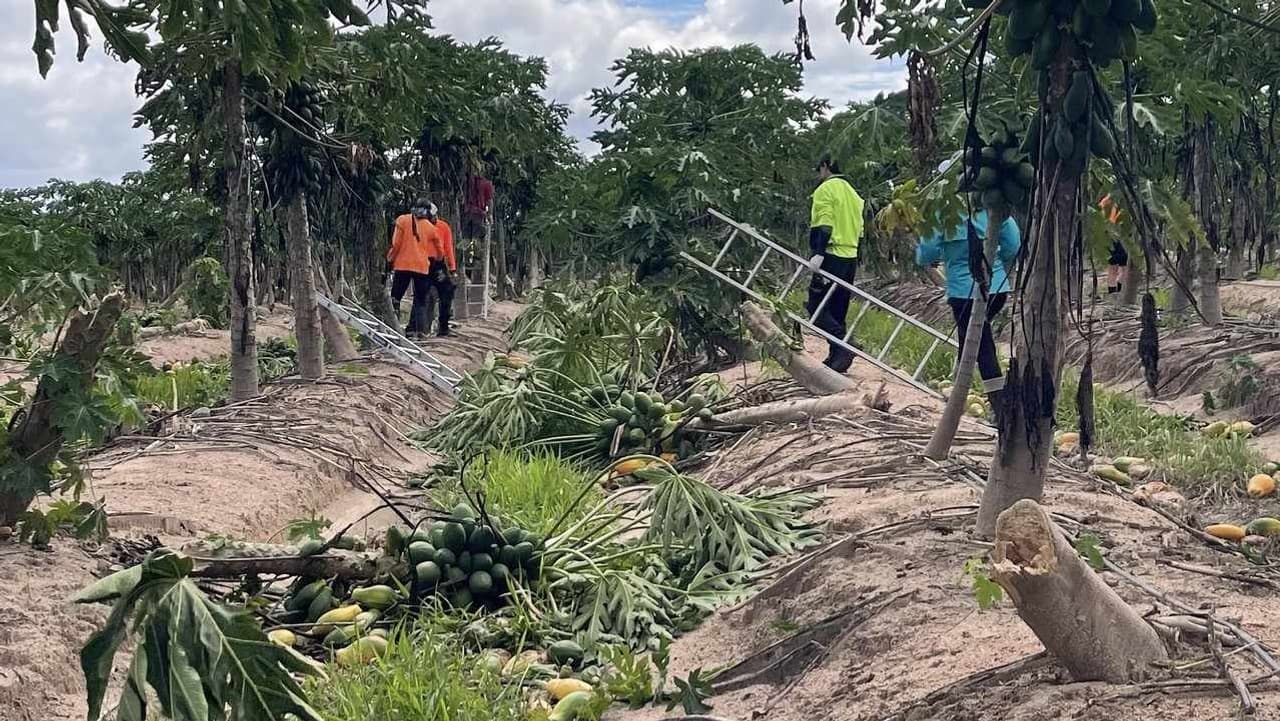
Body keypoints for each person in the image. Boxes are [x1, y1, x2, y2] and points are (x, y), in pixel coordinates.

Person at [915, 208, 1021, 396]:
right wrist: (996, 261)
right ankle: (959, 387)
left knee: (982, 346)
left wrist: (928, 255)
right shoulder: (992, 205)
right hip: (997, 289)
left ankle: (999, 402)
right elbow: (1013, 244)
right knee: (972, 339)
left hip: (964, 293)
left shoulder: (943, 209)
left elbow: (927, 252)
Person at [806, 154, 866, 373]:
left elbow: (824, 221)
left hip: (831, 254)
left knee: (816, 308)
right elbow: (860, 230)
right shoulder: (853, 194)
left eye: (819, 169)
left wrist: (818, 251)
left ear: (825, 166)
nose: (819, 174)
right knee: (838, 309)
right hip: (849, 257)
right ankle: (836, 358)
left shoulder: (825, 189)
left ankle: (844, 344)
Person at [387, 199, 441, 339]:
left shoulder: (402, 220)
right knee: (420, 301)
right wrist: (439, 258)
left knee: (395, 298)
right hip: (422, 268)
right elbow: (439, 249)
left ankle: (393, 330)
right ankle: (420, 333)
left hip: (402, 265)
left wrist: (390, 259)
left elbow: (396, 244)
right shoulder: (430, 228)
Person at [424, 202, 457, 337]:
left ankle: (443, 327)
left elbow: (448, 248)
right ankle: (418, 329)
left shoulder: (443, 227)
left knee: (447, 292)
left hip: (438, 264)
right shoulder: (420, 226)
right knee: (421, 296)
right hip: (423, 263)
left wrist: (452, 268)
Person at [1099, 194, 1127, 296]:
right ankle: (1114, 292)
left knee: (1121, 266)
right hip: (1111, 235)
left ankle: (1117, 290)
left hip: (1115, 235)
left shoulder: (1113, 201)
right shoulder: (1107, 202)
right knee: (1114, 266)